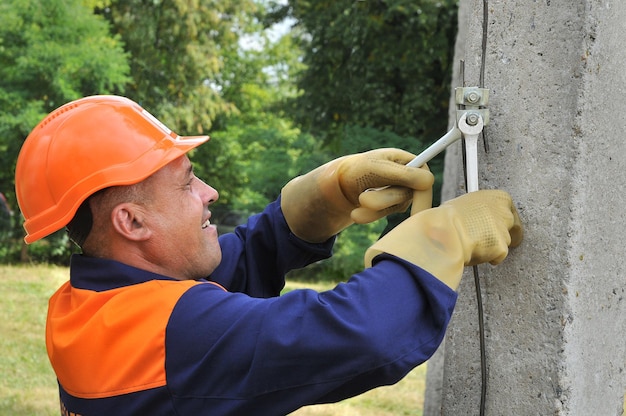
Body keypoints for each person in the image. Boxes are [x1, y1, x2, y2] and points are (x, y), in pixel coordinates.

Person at [15, 95, 522, 415]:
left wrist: (323, 198)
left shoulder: (85, 308)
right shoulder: (175, 336)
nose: (209, 192)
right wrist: (442, 238)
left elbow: (229, 268)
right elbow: (357, 333)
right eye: (188, 183)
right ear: (133, 222)